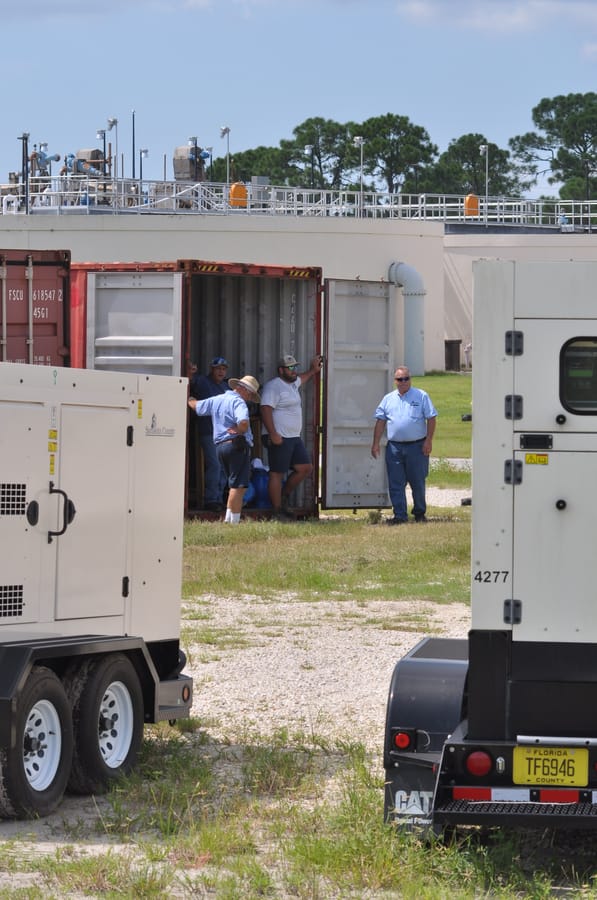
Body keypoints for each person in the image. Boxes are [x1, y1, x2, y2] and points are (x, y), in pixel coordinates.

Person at [188, 374, 260, 524]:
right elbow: (244, 423)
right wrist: (238, 429)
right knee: (238, 486)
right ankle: (233, 521)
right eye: (251, 394)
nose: (249, 398)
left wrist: (189, 398)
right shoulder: (239, 403)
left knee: (232, 483)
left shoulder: (217, 399)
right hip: (236, 445)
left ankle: (229, 519)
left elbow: (196, 406)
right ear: (244, 390)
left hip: (220, 447)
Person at [371, 366, 437, 525]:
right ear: (395, 381)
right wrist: (375, 443)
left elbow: (432, 418)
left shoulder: (421, 396)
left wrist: (428, 441)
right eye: (400, 379)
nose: (403, 382)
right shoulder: (388, 399)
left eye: (406, 378)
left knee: (418, 483)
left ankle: (420, 513)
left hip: (417, 447)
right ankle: (400, 515)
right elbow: (381, 421)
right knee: (395, 483)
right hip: (394, 448)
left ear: (410, 379)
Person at [260, 353, 322, 520]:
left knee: (305, 468)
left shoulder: (293, 384)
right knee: (277, 473)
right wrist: (273, 434)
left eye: (295, 367)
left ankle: (283, 496)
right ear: (281, 370)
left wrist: (313, 370)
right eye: (290, 368)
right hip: (279, 438)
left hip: (293, 437)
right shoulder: (273, 387)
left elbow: (303, 377)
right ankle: (277, 511)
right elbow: (265, 409)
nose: (294, 370)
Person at [189, 357, 230, 512]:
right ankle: (211, 500)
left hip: (224, 434)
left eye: (223, 369)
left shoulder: (227, 387)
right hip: (208, 432)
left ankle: (219, 499)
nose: (221, 371)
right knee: (215, 465)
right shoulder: (202, 381)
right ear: (211, 369)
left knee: (224, 467)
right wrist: (190, 372)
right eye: (218, 368)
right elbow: (188, 382)